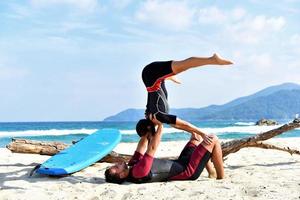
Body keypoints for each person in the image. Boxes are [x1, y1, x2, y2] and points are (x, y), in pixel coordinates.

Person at [136, 53, 233, 145]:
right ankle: (168, 77)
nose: (152, 136)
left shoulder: (159, 116)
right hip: (149, 77)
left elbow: (184, 124)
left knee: (184, 65)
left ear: (149, 128)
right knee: (170, 74)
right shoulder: (150, 115)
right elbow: (179, 125)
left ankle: (213, 59)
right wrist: (193, 132)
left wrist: (202, 133)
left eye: (148, 136)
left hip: (152, 73)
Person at [105, 116, 224, 184]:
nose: (117, 164)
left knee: (196, 137)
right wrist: (160, 125)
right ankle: (221, 177)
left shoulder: (132, 165)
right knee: (213, 139)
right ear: (121, 176)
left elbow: (143, 143)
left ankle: (211, 172)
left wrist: (150, 123)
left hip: (181, 162)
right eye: (115, 167)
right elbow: (152, 148)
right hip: (188, 170)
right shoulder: (138, 172)